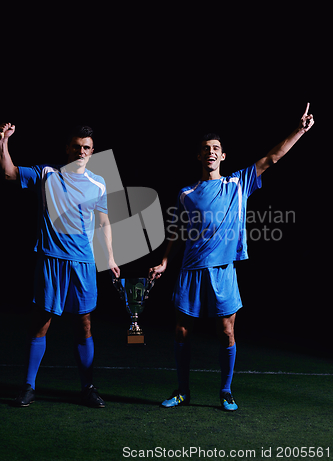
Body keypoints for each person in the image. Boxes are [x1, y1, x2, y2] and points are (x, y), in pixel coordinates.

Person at [149, 104, 314, 411]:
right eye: (205, 149)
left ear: (223, 156)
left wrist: (300, 129)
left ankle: (225, 391)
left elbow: (272, 158)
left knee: (226, 330)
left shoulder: (237, 183)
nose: (210, 152)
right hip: (191, 270)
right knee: (181, 330)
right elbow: (177, 229)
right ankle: (183, 391)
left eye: (216, 148)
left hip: (224, 271)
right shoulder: (186, 193)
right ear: (198, 156)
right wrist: (165, 261)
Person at [0, 123, 120, 407]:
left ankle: (88, 387)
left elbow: (103, 223)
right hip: (51, 259)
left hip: (83, 263)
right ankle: (29, 386)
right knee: (41, 323)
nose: (81, 151)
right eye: (77, 146)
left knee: (84, 325)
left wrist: (111, 257)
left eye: (86, 147)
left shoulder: (99, 182)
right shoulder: (46, 173)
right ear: (68, 148)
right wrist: (3, 143)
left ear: (92, 152)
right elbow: (8, 172)